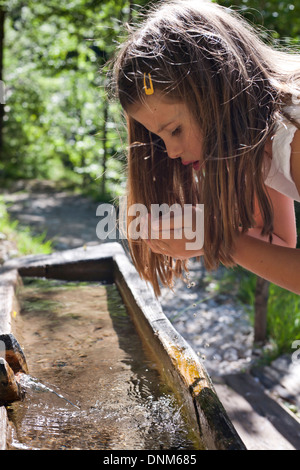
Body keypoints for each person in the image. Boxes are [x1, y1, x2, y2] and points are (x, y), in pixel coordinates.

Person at [110, 0, 300, 296]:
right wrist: (208, 231)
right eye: (160, 139)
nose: (171, 152)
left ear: (217, 90)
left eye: (175, 130)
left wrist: (216, 237)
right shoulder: (258, 139)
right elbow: (277, 240)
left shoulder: (294, 133)